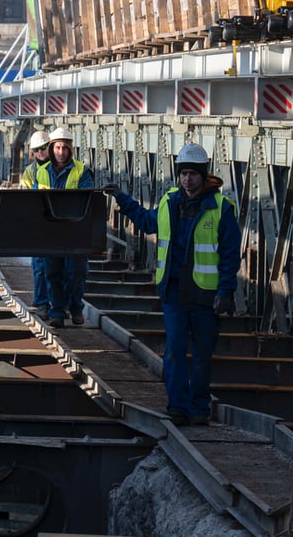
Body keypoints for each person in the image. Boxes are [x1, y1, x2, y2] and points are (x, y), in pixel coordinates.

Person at [107, 143, 239, 426]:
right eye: (184, 173)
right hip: (175, 293)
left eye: (193, 173)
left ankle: (199, 408)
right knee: (175, 350)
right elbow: (145, 221)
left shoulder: (222, 209)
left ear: (203, 176)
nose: (187, 179)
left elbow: (229, 254)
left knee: (203, 355)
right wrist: (123, 199)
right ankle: (178, 406)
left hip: (206, 295)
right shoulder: (169, 202)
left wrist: (226, 291)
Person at [33, 126, 93, 329]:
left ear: (70, 149)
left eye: (64, 148)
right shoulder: (41, 172)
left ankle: (75, 307)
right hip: (52, 231)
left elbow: (88, 197)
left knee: (75, 272)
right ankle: (57, 311)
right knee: (52, 272)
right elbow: (34, 199)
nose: (61, 152)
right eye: (57, 148)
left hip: (74, 231)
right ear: (51, 148)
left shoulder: (81, 170)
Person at [18, 130, 58, 314]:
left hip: (59, 224)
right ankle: (42, 302)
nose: (40, 152)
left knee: (61, 270)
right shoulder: (30, 172)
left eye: (43, 148)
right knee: (40, 267)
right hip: (40, 225)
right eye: (36, 150)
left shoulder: (61, 167)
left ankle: (59, 305)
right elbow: (23, 199)